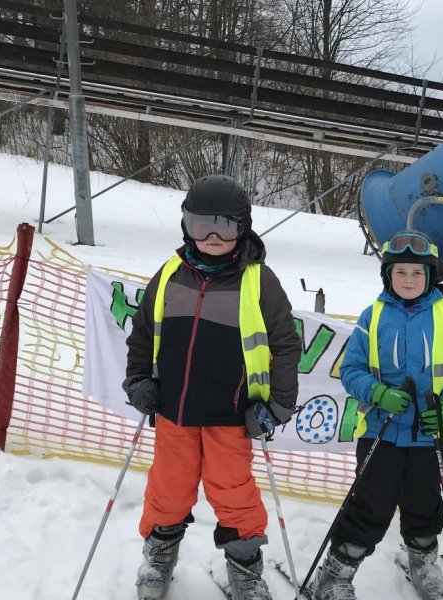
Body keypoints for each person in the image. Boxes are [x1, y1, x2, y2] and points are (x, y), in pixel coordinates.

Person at [122, 175, 302, 600]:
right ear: (186, 226)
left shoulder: (259, 280)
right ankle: (159, 557)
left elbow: (285, 345)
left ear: (244, 226)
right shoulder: (169, 274)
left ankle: (245, 571)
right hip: (174, 414)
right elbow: (143, 332)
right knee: (168, 490)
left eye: (225, 225)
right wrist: (137, 380)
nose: (214, 236)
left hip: (231, 416)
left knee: (235, 495)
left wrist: (276, 406)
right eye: (202, 225)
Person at [310, 230, 443, 600]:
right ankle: (337, 572)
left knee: (425, 503)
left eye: (417, 273)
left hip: (429, 432)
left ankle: (422, 562)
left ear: (430, 277)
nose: (408, 280)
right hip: (380, 432)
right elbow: (351, 370)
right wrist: (379, 394)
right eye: (401, 272)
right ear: (388, 275)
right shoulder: (373, 316)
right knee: (370, 504)